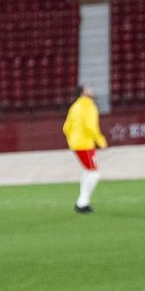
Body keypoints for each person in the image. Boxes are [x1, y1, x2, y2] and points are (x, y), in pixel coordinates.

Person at [64, 84, 106, 214]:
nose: (91, 90)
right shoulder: (89, 106)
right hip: (85, 144)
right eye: (88, 88)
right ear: (83, 93)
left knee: (88, 172)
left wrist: (72, 140)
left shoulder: (74, 106)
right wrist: (100, 140)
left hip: (76, 143)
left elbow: (66, 127)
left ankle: (83, 202)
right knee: (94, 173)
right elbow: (90, 126)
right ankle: (82, 202)